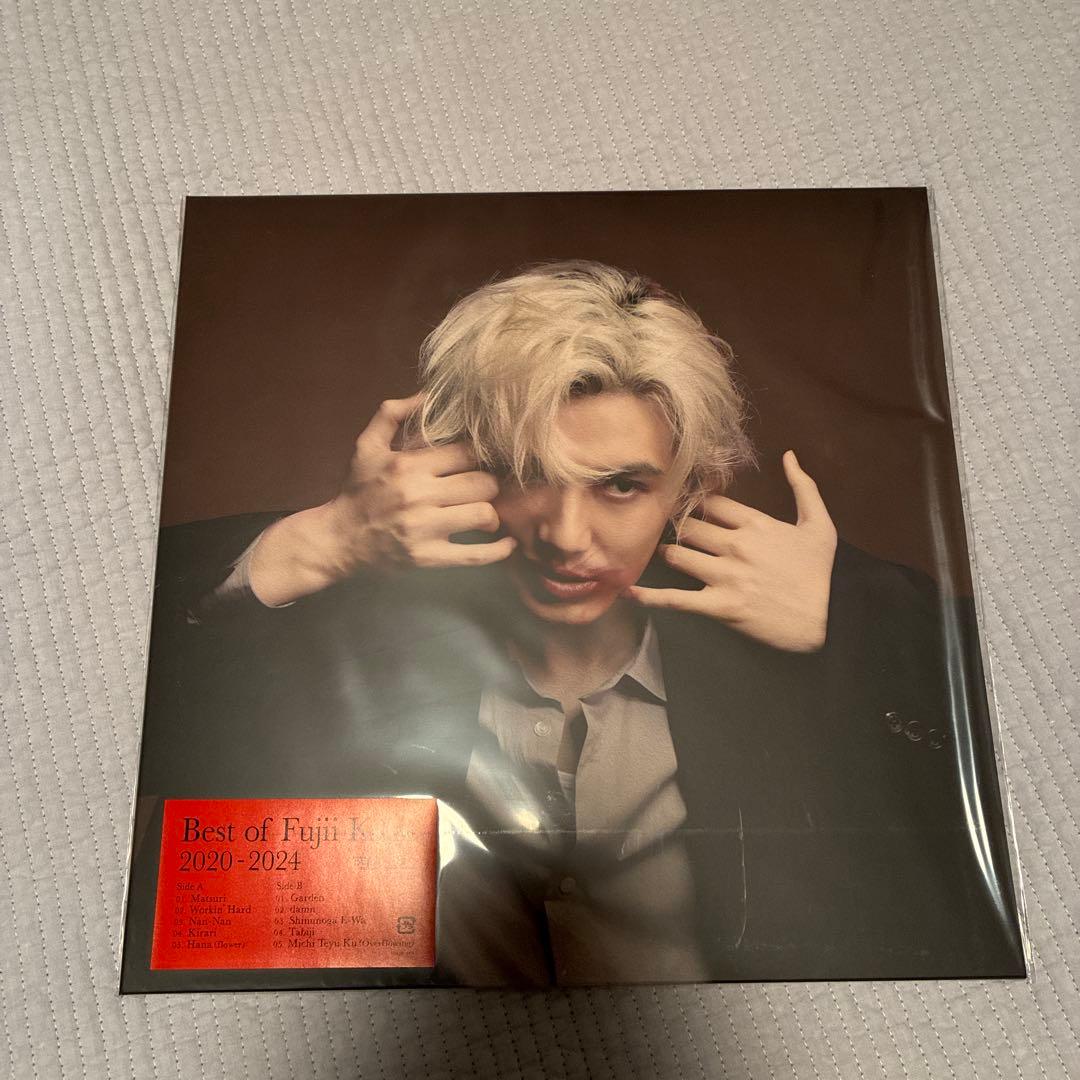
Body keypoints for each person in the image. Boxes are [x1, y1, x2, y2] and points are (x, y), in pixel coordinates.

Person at [135, 261, 1025, 985]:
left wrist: (856, 625)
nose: (566, 536)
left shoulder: (824, 631)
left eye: (622, 486)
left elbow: (1012, 814)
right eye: (527, 472)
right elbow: (132, 766)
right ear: (456, 464)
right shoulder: (357, 633)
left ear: (693, 486)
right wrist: (314, 545)